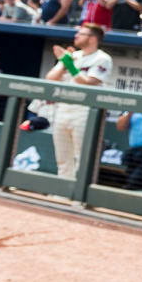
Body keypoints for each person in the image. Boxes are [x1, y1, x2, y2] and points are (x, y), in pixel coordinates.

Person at [46, 23, 113, 178]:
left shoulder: (102, 58)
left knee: (83, 157)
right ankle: (61, 196)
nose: (76, 36)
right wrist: (65, 63)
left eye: (81, 34)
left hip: (85, 110)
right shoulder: (73, 56)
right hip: (63, 108)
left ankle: (79, 197)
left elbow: (88, 82)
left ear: (93, 38)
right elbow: (50, 78)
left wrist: (68, 64)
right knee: (63, 158)